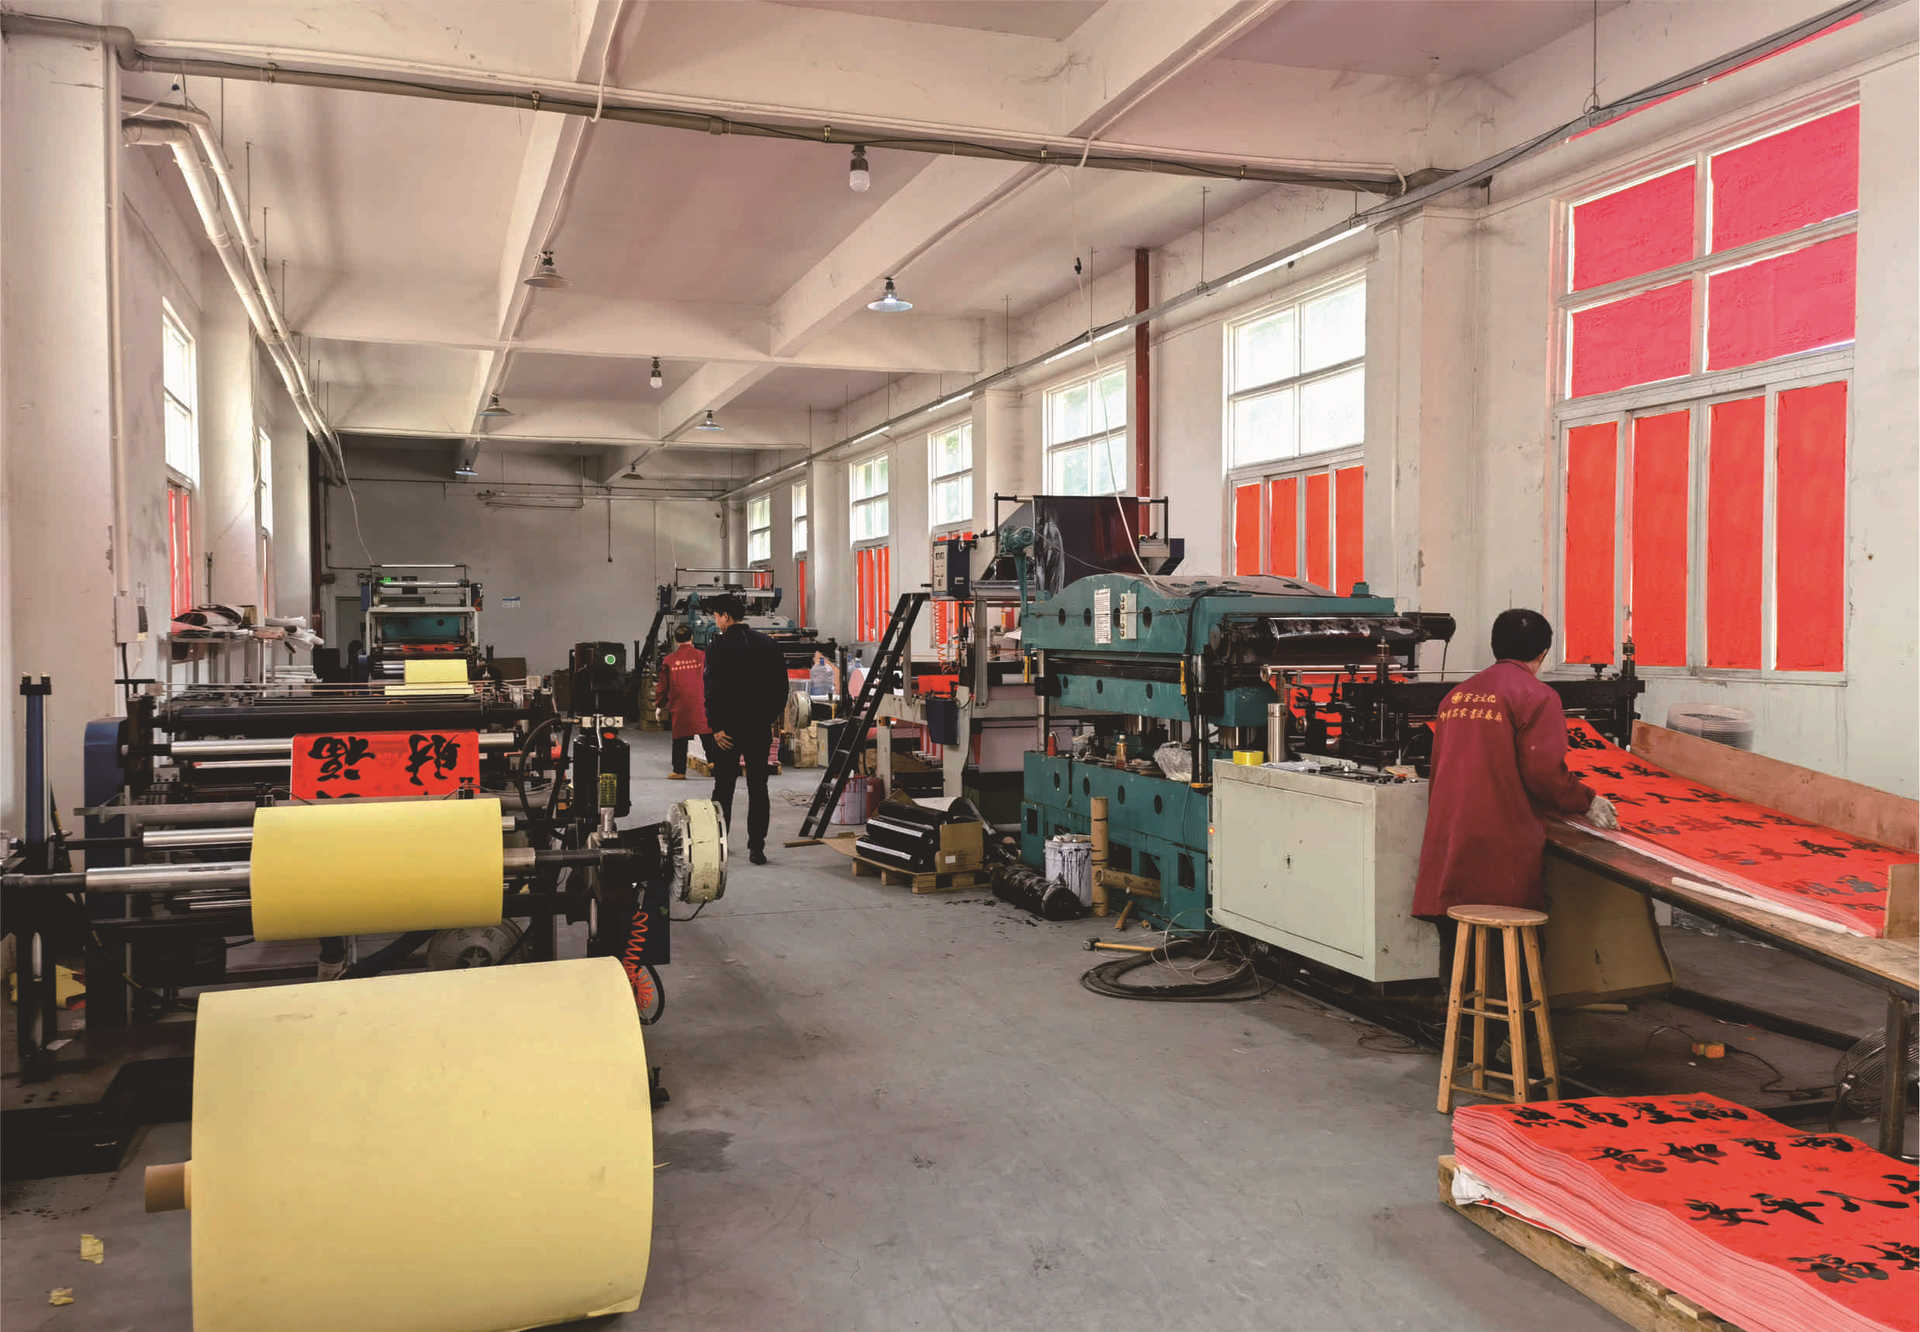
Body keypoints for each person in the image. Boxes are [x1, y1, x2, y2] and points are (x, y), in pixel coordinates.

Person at [1412, 609, 1619, 964]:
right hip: (1499, 846)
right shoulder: (1537, 696)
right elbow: (1543, 773)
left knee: (1459, 942)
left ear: (1495, 646)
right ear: (1543, 653)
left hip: (1449, 838)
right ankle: (1505, 1002)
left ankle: (1456, 1001)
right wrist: (1586, 801)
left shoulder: (1456, 697)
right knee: (1507, 952)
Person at [703, 594, 789, 864]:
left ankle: (719, 843)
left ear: (726, 616)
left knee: (723, 787)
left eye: (717, 616)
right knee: (758, 788)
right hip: (758, 728)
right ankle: (757, 848)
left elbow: (712, 690)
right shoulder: (768, 644)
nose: (716, 621)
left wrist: (716, 727)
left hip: (727, 732)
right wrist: (767, 718)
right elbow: (781, 689)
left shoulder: (717, 646)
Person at [655, 625, 711, 779]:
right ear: (692, 637)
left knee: (679, 736)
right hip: (701, 701)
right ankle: (715, 762)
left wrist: (659, 705)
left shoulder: (669, 660)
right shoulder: (703, 656)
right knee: (707, 731)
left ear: (675, 640)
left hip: (680, 703)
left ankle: (679, 771)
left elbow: (662, 686)